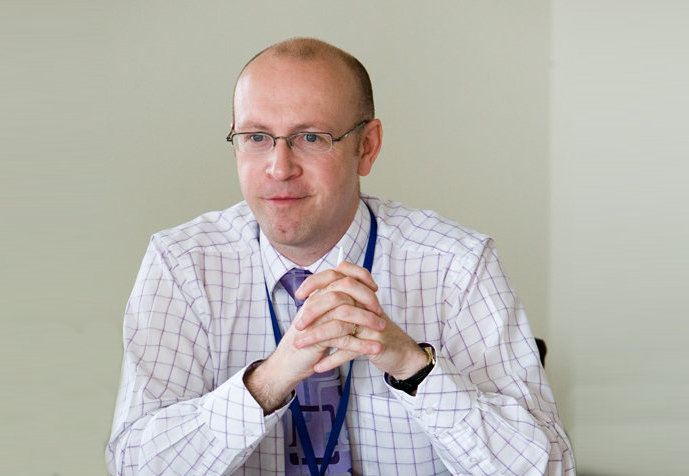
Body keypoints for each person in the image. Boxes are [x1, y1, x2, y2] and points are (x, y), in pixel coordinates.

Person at [106, 37, 574, 476]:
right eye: (256, 137)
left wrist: (414, 368)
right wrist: (267, 383)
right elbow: (135, 464)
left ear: (365, 148)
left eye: (311, 137)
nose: (279, 167)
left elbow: (551, 466)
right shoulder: (183, 263)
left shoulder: (456, 263)